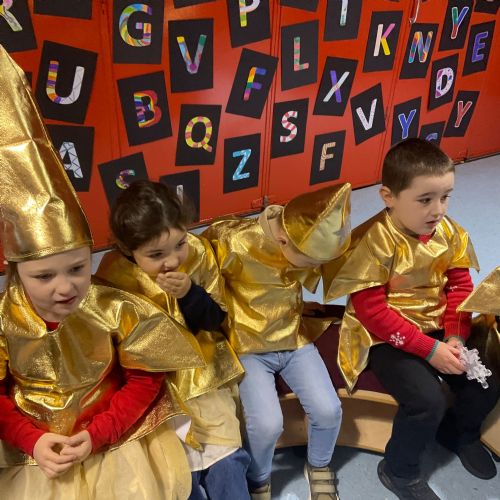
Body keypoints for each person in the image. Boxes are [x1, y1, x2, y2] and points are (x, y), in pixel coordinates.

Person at [0, 46, 206, 499]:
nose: (65, 286)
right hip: (35, 448)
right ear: (16, 274)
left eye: (78, 267)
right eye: (43, 276)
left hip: (109, 435)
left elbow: (147, 377)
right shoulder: (3, 319)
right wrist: (30, 439)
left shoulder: (114, 306)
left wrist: (99, 433)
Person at [323, 138, 499, 500]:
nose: (438, 210)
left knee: (486, 381)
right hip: (384, 336)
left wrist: (455, 337)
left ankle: (458, 434)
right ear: (388, 196)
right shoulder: (374, 241)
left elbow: (459, 288)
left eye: (445, 197)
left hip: (437, 326)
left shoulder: (450, 232)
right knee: (426, 401)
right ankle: (398, 471)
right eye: (425, 200)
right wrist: (429, 350)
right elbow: (373, 312)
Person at [95, 180, 251, 500]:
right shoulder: (114, 273)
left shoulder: (197, 253)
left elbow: (214, 318)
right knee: (176, 473)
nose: (172, 260)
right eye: (156, 254)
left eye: (179, 244)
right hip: (154, 387)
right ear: (126, 249)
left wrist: (190, 293)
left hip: (203, 374)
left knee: (226, 461)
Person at [202, 183, 352, 500]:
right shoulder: (231, 239)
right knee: (266, 424)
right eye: (309, 262)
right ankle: (258, 479)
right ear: (283, 239)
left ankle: (319, 466)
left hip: (294, 338)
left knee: (329, 409)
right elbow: (202, 272)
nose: (314, 269)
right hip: (249, 345)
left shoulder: (299, 241)